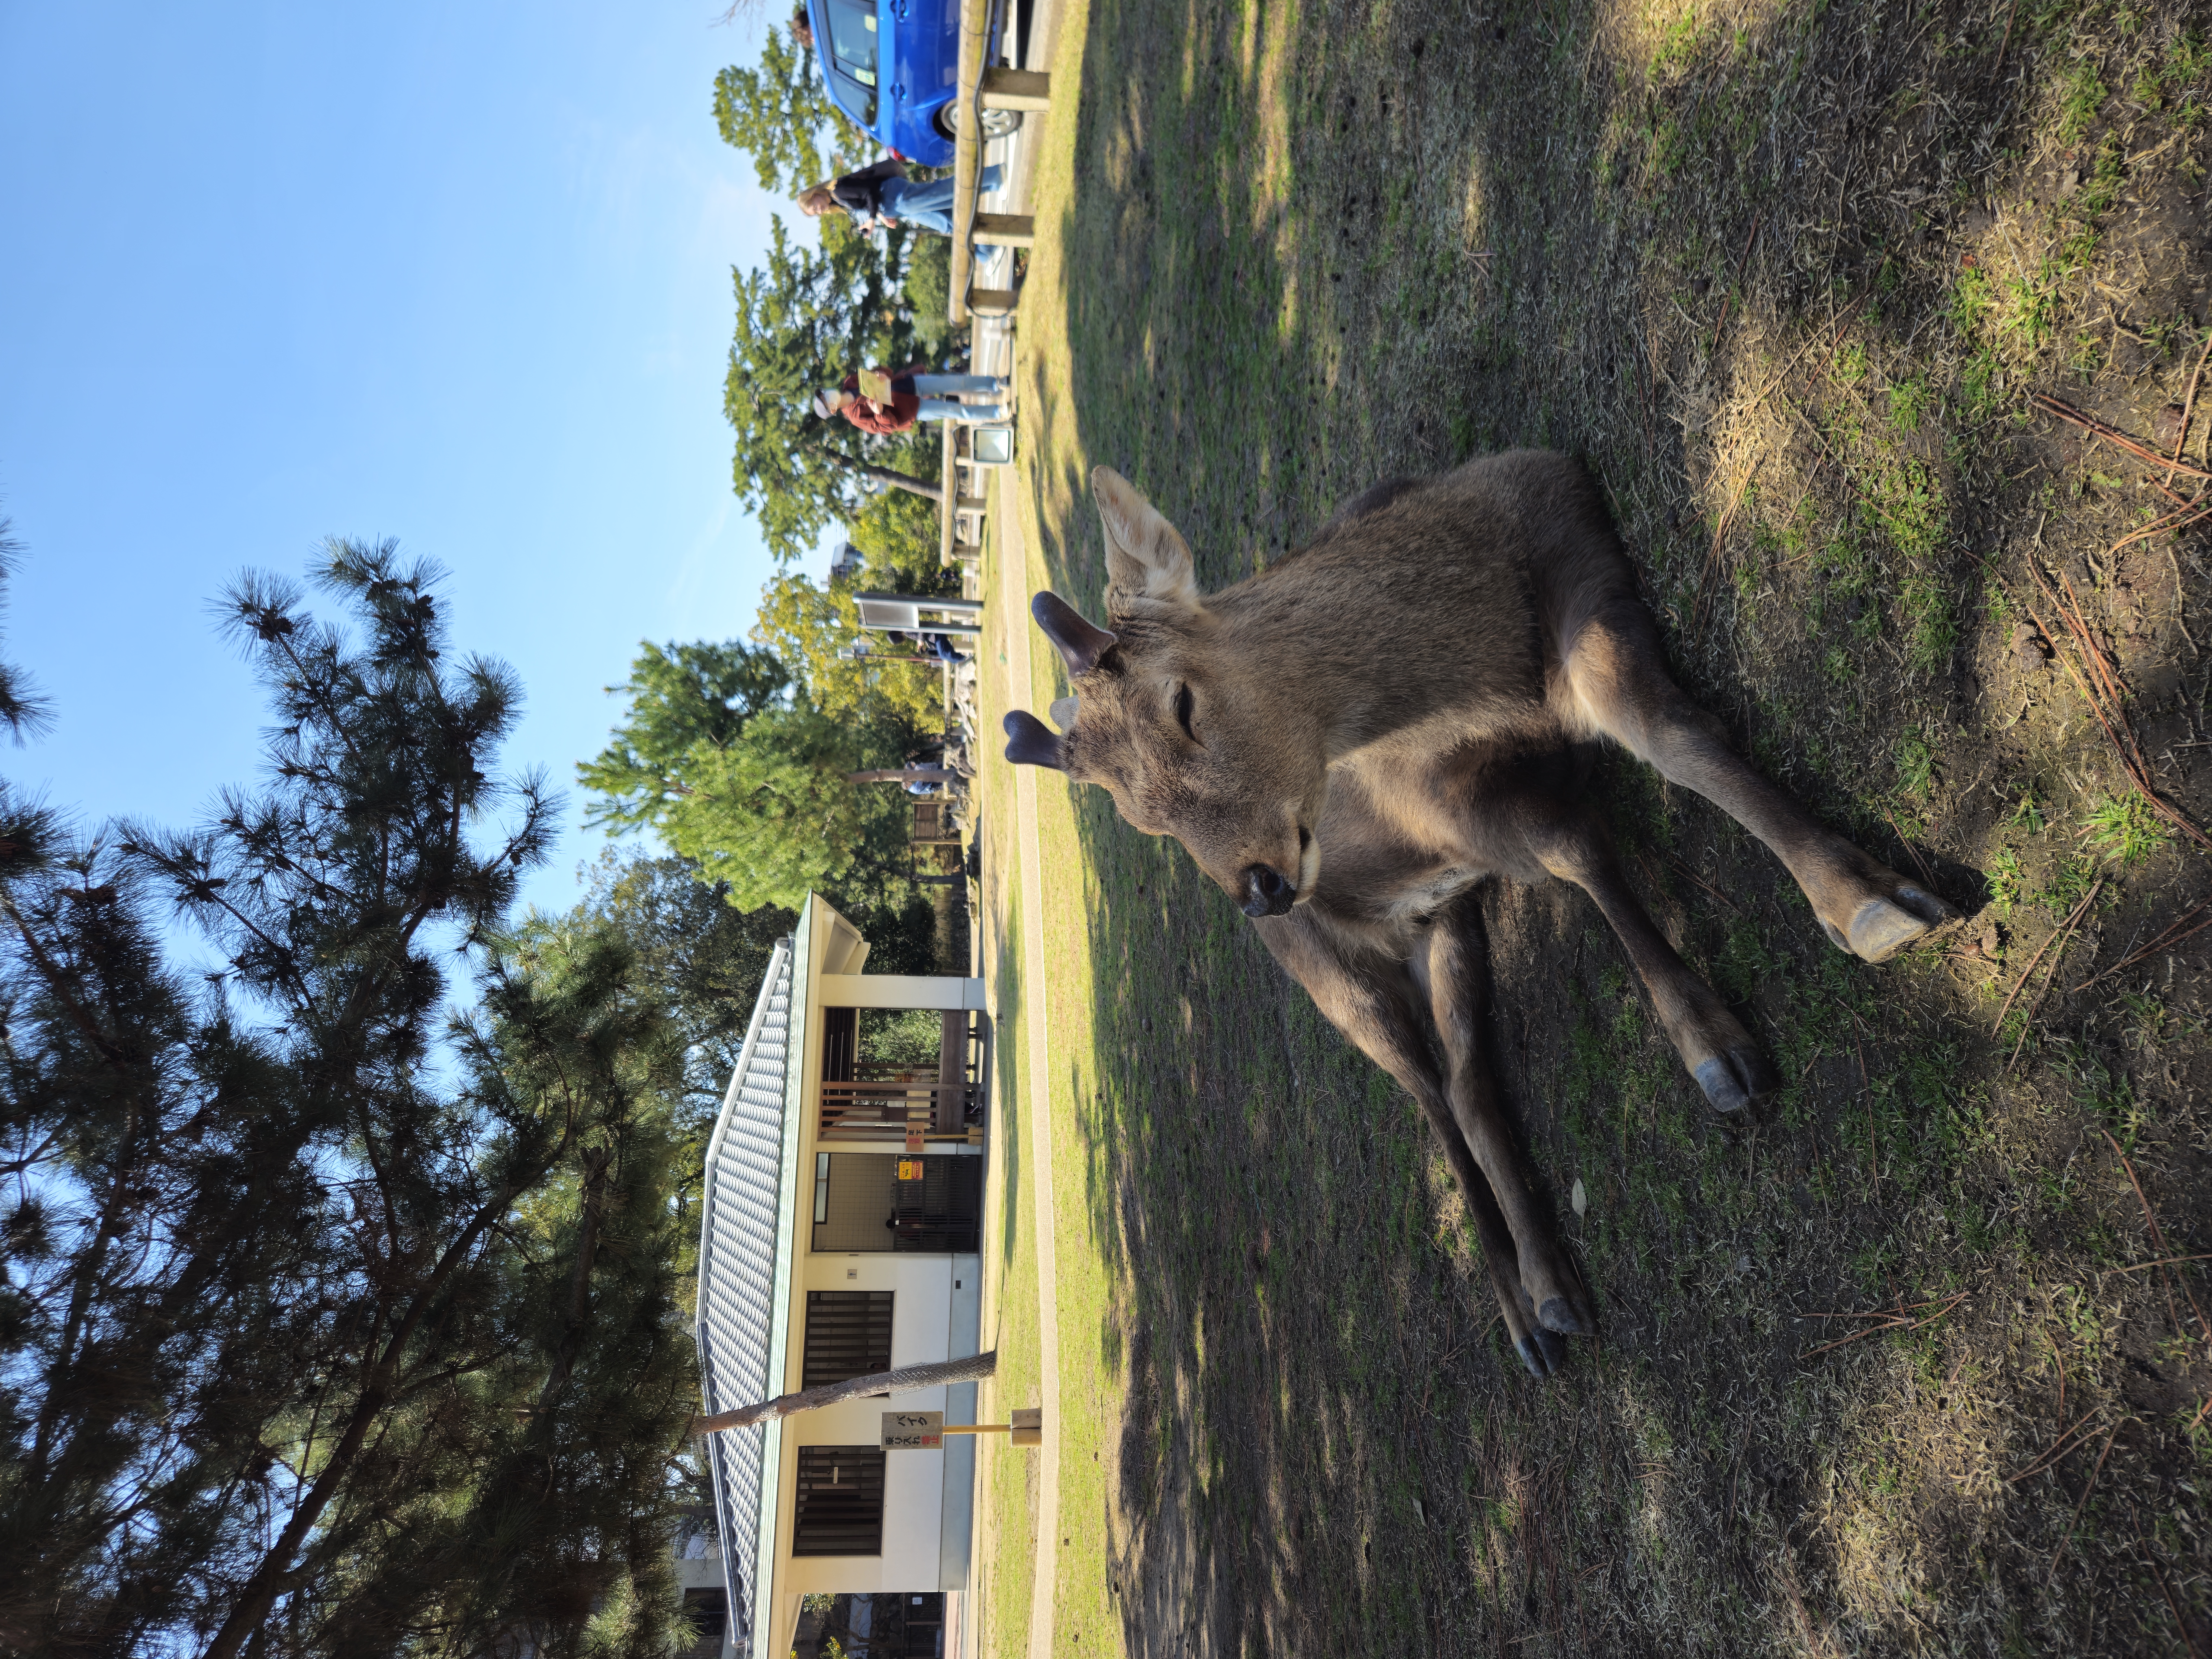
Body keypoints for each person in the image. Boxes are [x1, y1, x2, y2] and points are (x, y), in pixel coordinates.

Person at [798, 160, 1007, 243]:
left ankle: (994, 176)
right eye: (815, 213)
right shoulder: (839, 201)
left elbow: (871, 191)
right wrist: (880, 216)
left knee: (944, 192)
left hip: (896, 197)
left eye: (814, 206)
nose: (819, 211)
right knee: (945, 223)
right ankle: (986, 248)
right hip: (895, 206)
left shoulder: (838, 190)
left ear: (815, 193)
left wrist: (872, 220)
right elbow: (866, 198)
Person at [813, 364, 1010, 431]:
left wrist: (881, 374)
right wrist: (879, 412)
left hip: (908, 383)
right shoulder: (856, 417)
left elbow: (884, 371)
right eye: (826, 399)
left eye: (824, 392)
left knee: (956, 382)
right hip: (911, 409)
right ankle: (997, 412)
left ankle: (995, 383)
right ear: (832, 410)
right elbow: (886, 429)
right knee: (957, 410)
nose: (828, 394)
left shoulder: (850, 382)